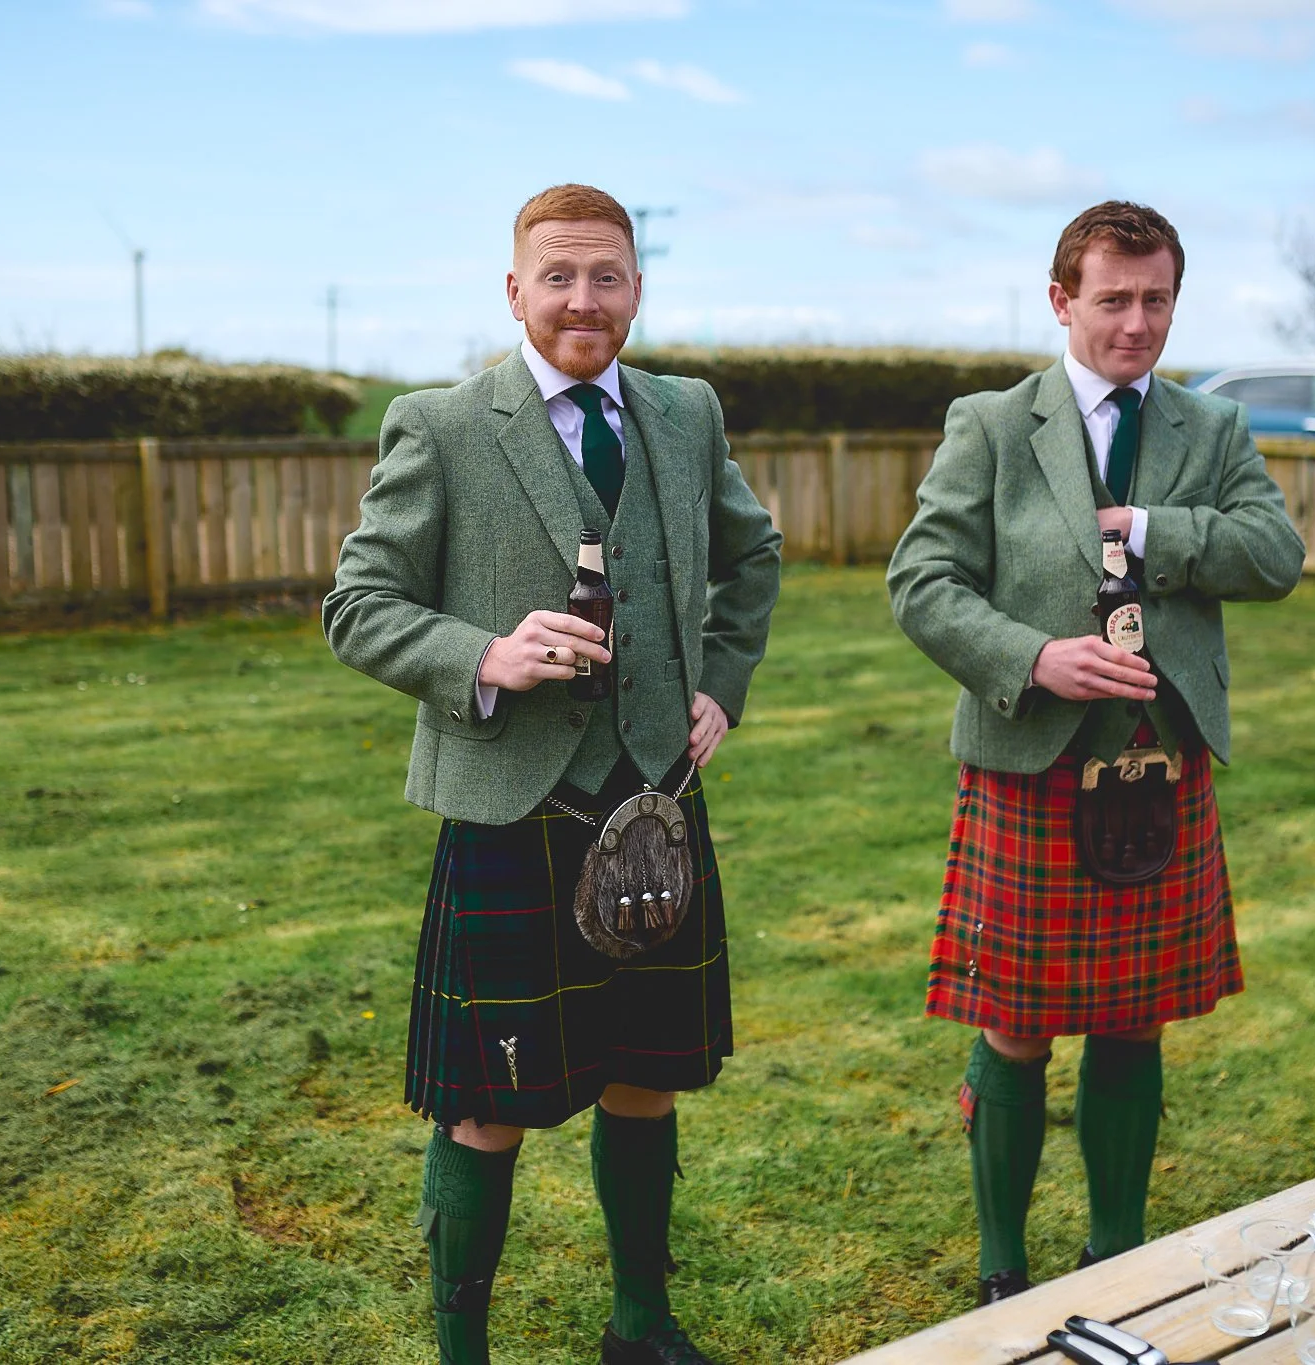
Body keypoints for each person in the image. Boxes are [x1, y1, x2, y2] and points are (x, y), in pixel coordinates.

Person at [324, 183, 781, 1365]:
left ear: (637, 287)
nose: (585, 299)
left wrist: (717, 685)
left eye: (608, 276)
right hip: (511, 812)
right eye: (560, 276)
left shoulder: (684, 414)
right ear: (515, 289)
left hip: (654, 805)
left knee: (645, 1076)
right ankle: (461, 1353)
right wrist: (487, 653)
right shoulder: (441, 424)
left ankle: (641, 1323)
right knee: (486, 1108)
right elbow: (358, 607)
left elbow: (754, 551)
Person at [886, 200, 1305, 1304]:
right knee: (1013, 1022)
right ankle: (1000, 1270)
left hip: (1160, 769)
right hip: (1031, 761)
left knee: (1132, 1016)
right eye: (1111, 298)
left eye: (1154, 298)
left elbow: (1272, 554)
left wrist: (1154, 531)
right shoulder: (989, 422)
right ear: (1061, 299)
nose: (1134, 322)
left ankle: (1120, 1255)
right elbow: (920, 585)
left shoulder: (1206, 433)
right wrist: (1033, 658)